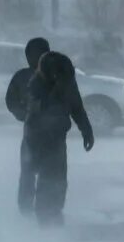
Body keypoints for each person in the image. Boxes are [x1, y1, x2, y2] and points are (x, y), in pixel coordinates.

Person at [5, 38, 95, 224]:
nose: (36, 58)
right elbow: (11, 101)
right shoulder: (24, 78)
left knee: (54, 179)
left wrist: (86, 129)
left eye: (41, 53)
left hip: (54, 138)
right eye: (33, 55)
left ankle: (49, 215)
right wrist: (24, 114)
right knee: (30, 176)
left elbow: (76, 105)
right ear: (28, 57)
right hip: (34, 138)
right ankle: (27, 213)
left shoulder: (63, 75)